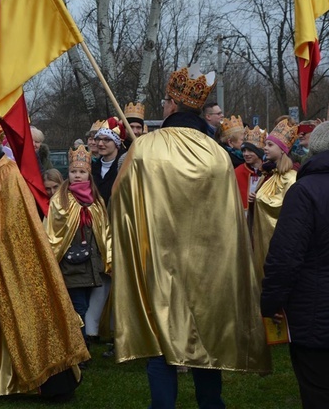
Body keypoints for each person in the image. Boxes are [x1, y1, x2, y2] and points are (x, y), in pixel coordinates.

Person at [110, 65, 271, 409]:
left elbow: (120, 200)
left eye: (166, 101)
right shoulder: (217, 154)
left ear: (171, 105)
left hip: (160, 259)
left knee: (161, 340)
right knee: (206, 336)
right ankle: (211, 404)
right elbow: (229, 215)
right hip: (208, 264)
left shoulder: (146, 147)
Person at [0, 114, 88, 401]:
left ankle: (40, 382)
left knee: (24, 316)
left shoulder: (6, 175)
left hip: (5, 265)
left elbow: (14, 227)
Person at [261, 120, 329, 408]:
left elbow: (284, 258)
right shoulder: (304, 190)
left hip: (316, 320)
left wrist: (270, 304)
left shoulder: (304, 191)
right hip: (319, 313)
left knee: (322, 395)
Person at [46, 145, 111, 350]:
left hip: (91, 263)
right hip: (70, 264)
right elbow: (53, 230)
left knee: (85, 305)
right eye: (73, 172)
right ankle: (78, 347)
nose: (77, 175)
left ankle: (80, 344)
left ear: (88, 174)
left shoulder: (96, 199)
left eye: (82, 172)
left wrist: (106, 256)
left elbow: (104, 229)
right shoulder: (61, 199)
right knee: (79, 305)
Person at [252, 119, 298, 282]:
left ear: (283, 150)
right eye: (266, 144)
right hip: (262, 241)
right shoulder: (270, 175)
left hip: (278, 245)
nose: (265, 148)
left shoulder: (291, 179)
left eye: (270, 145)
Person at [91, 117, 126, 204]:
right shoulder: (92, 168)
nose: (100, 143)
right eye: (98, 139)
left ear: (116, 143)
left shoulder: (125, 167)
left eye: (106, 140)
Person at [234, 126, 266, 216]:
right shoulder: (237, 172)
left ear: (259, 152)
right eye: (244, 151)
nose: (246, 154)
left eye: (250, 151)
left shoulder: (269, 171)